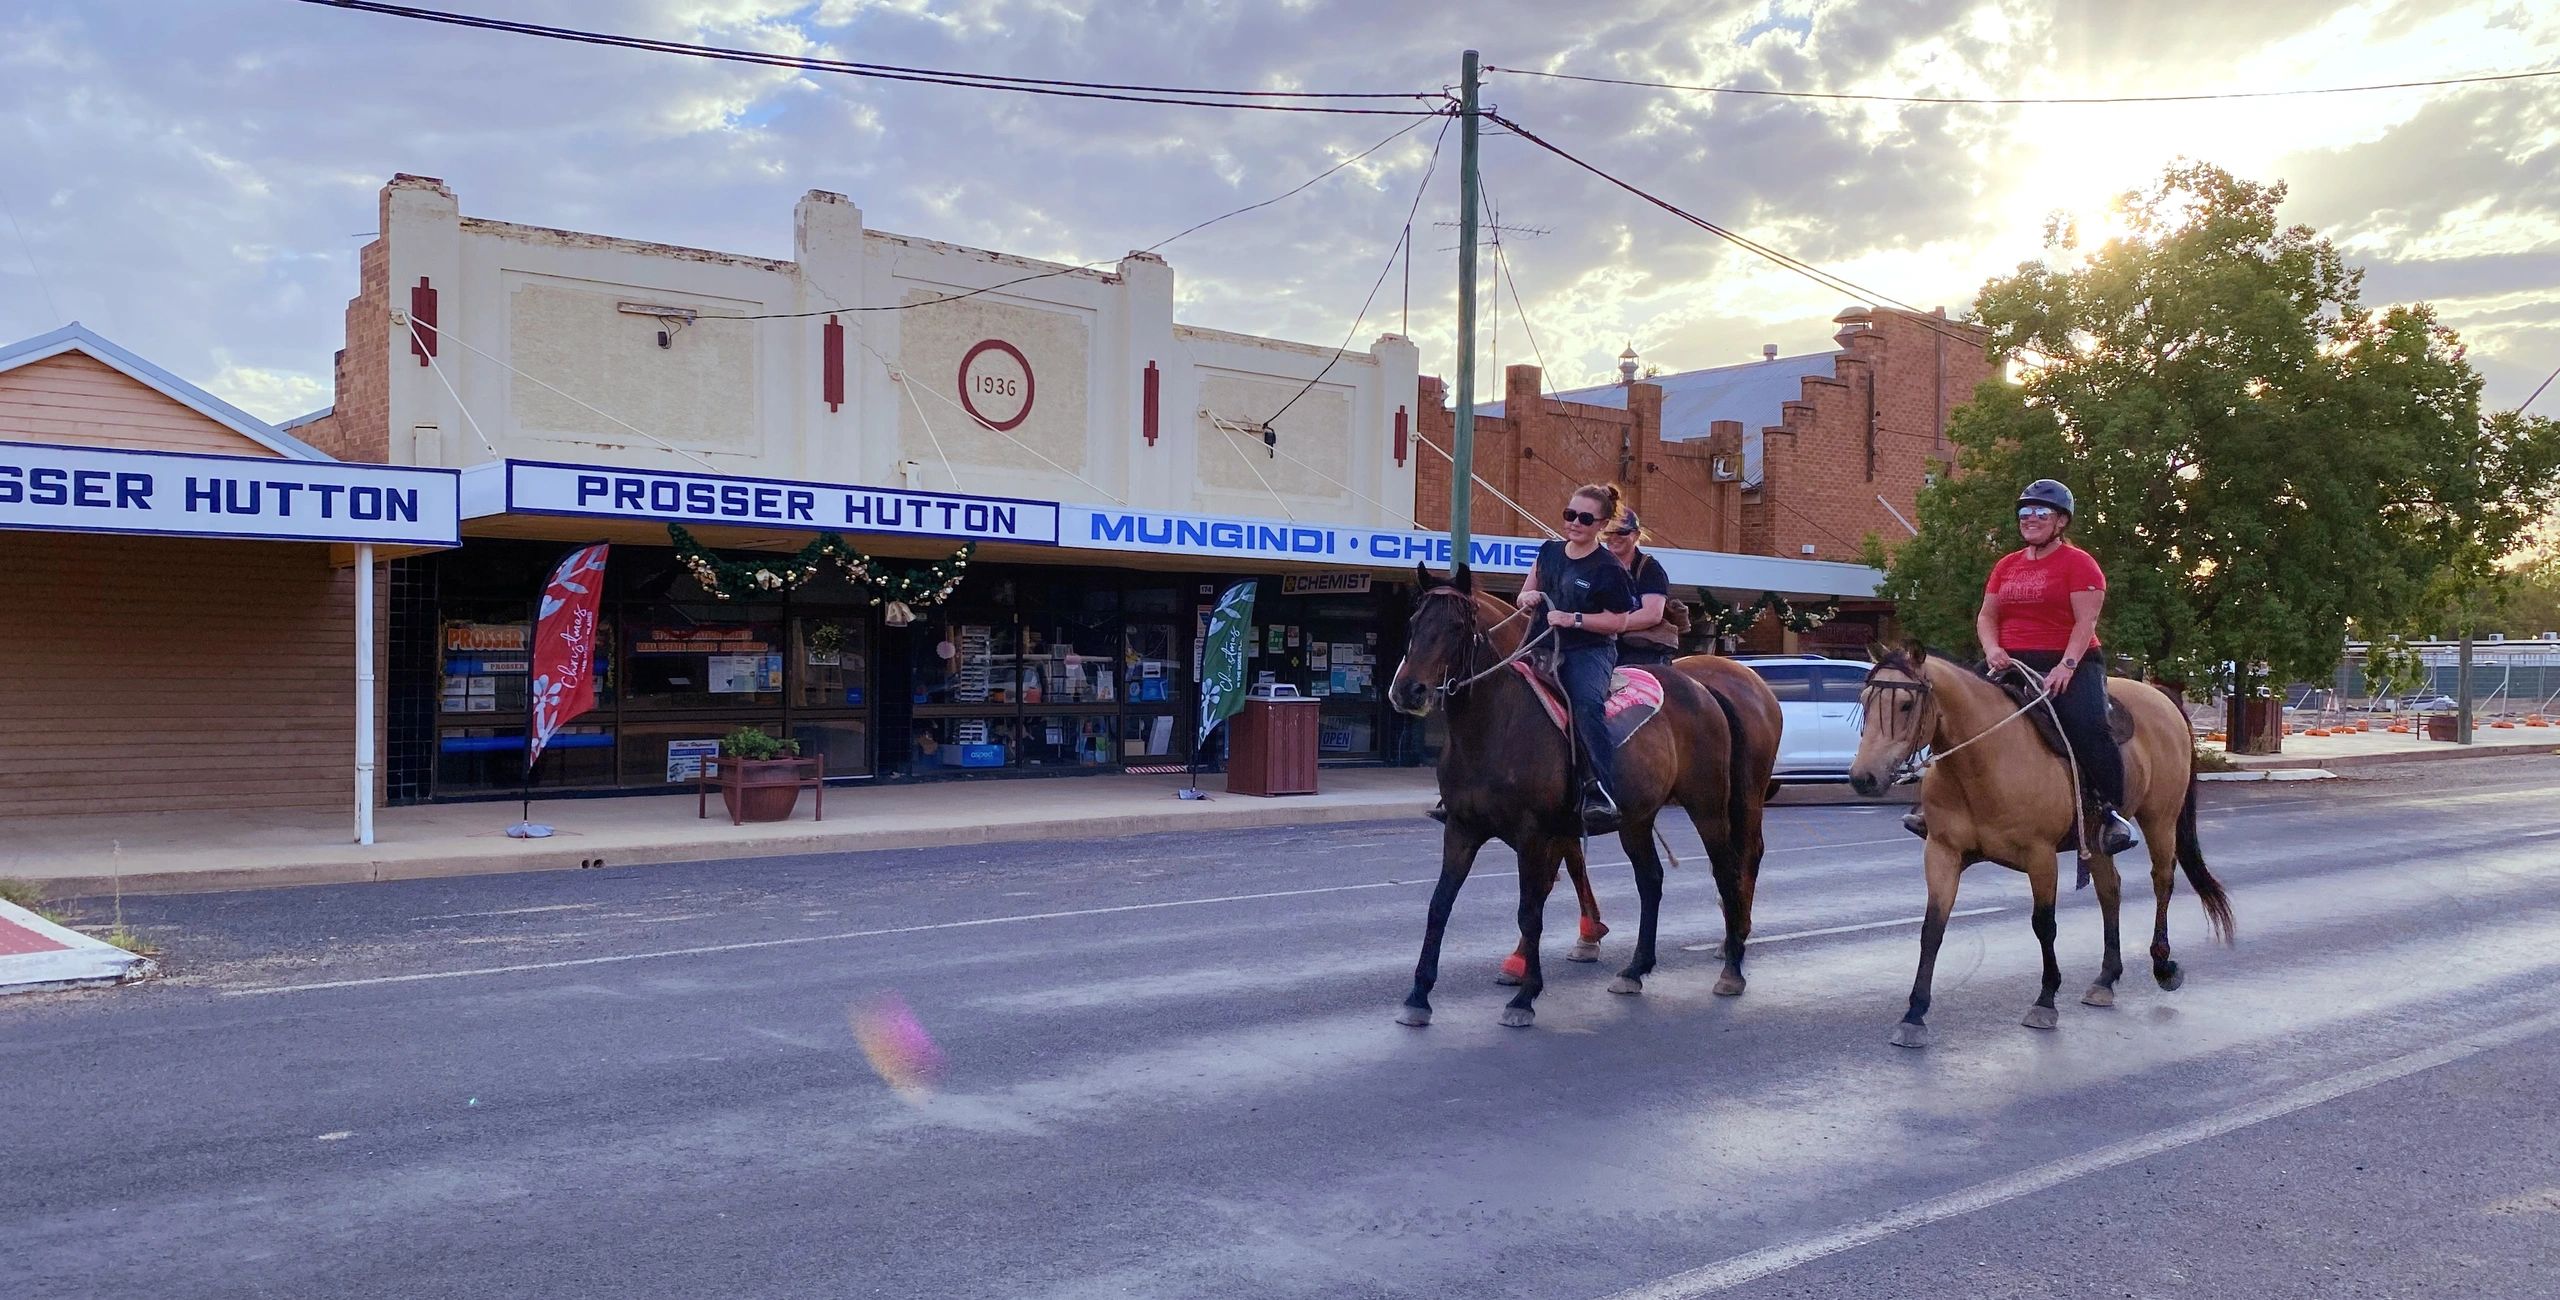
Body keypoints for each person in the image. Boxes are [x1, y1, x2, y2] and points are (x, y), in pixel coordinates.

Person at [1902, 479, 2136, 854]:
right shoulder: (2006, 565)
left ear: (2061, 522)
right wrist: (1992, 648)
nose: (2030, 519)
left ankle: (2110, 813)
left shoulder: (2080, 565)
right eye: (2024, 513)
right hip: (2010, 659)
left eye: (2041, 513)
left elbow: (2085, 622)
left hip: (2069, 660)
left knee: (2089, 726)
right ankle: (1933, 806)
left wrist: (2067, 666)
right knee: (1954, 713)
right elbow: (1987, 616)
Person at [1518, 483, 1641, 834]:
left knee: (1586, 705)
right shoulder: (1549, 552)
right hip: (1540, 644)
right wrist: (1526, 599)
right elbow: (1526, 590)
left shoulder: (1609, 569)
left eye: (1585, 518)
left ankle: (1601, 791)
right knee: (1492, 689)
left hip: (1588, 651)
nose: (1574, 523)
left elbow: (1619, 621)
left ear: (1601, 524)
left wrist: (1574, 619)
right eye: (1569, 514)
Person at [1602, 511, 1679, 667]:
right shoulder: (1598, 567)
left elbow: (1652, 614)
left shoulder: (1649, 568)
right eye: (1608, 532)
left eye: (1622, 531)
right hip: (1601, 647)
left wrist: (1608, 625)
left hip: (1639, 652)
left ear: (1636, 535)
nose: (1614, 537)